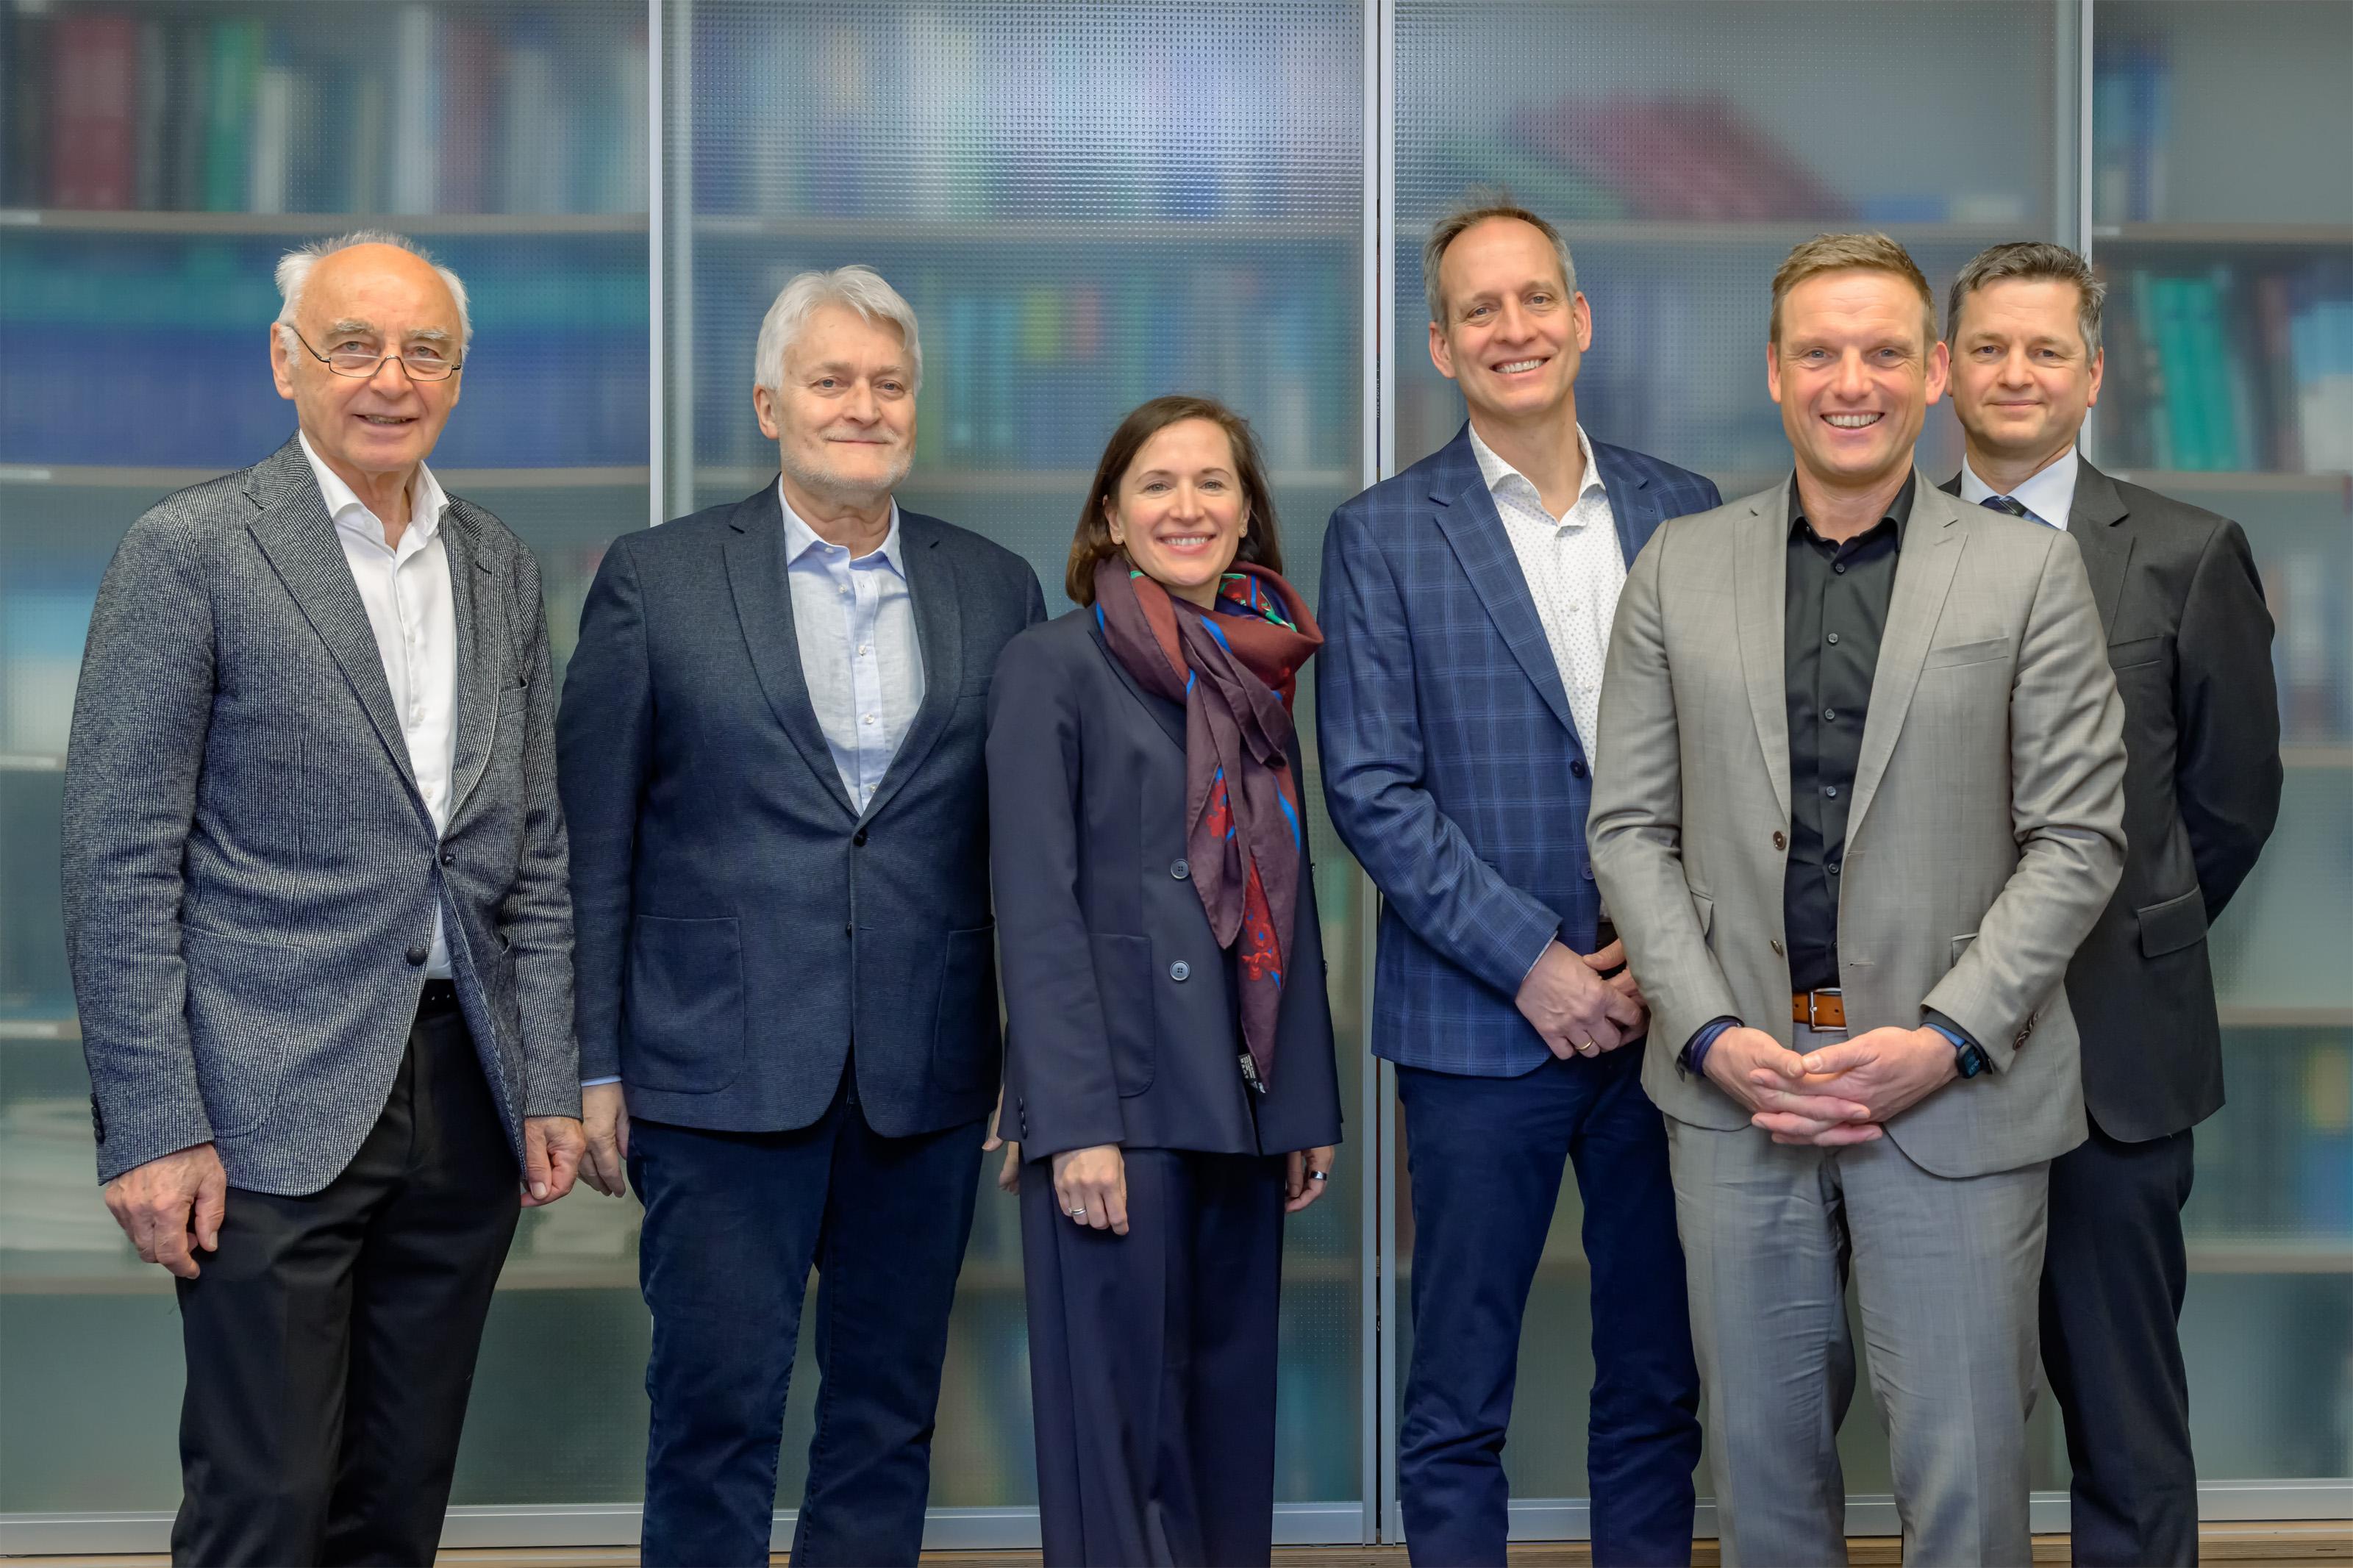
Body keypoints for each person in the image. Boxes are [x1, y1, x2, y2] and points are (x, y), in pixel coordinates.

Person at [1588, 232, 2128, 1567]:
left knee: (1968, 1492)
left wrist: (1944, 1038)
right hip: (1741, 1094)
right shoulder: (1676, 566)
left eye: (1885, 351)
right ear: (1774, 371)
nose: (1852, 381)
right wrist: (1711, 1033)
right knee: (1763, 1494)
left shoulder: (2028, 571)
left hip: (1957, 1097)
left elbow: (2077, 838)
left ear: (1934, 373)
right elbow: (1631, 829)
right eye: (1819, 352)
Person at [61, 231, 585, 1564]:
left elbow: (533, 849)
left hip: (462, 1097)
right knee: (267, 1503)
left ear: (458, 377)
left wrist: (545, 1079)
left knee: (396, 1505)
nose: (389, 378)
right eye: (354, 345)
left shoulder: (499, 566)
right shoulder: (192, 550)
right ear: (285, 361)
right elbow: (119, 858)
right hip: (262, 1105)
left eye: (425, 351)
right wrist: (153, 1128)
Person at [557, 265, 1045, 1567]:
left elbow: (1029, 853)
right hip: (714, 1072)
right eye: (831, 380)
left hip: (926, 1074)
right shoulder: (656, 581)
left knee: (887, 1415)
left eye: (889, 384)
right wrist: (591, 1064)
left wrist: (1041, 1058)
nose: (863, 406)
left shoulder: (995, 587)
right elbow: (593, 845)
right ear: (771, 405)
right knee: (714, 1415)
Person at [1316, 196, 1714, 1567]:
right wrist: (1535, 963)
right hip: (1480, 1026)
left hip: (1671, 1019)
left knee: (1659, 1374)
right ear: (1441, 346)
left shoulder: (1686, 510)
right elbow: (1371, 787)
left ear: (1580, 319)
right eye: (1478, 309)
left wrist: (1664, 953)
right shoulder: (1381, 533)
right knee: (1459, 1388)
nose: (1513, 327)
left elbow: (1737, 761)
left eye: (1536, 297)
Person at [1943, 240, 2281, 1567]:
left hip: (2116, 1057)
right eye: (1989, 346)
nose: (2016, 372)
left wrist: (2133, 935)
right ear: (1943, 371)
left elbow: (2230, 805)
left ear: (2092, 377)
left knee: (2125, 1418)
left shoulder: (2188, 555)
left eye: (2046, 350)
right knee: (1948, 1417)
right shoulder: (1886, 544)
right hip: (1921, 1055)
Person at [987, 395, 1342, 1567]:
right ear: (1110, 515)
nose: (1186, 506)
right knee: (1120, 1451)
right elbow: (1035, 909)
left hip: (1242, 1101)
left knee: (1227, 1441)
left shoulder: (1262, 662)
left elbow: (1287, 890)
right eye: (1156, 483)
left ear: (1246, 515)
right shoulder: (1051, 664)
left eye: (1212, 483)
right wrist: (1070, 1120)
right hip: (1119, 1105)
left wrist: (1301, 1102)